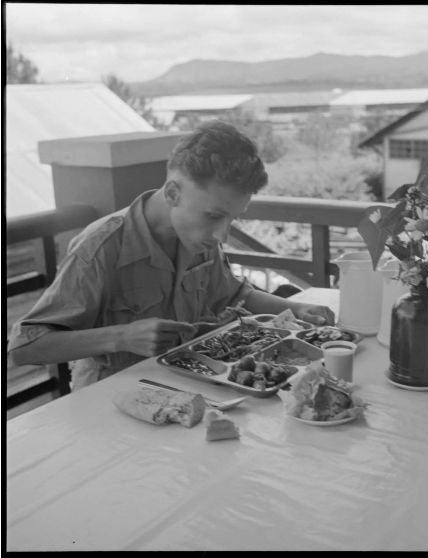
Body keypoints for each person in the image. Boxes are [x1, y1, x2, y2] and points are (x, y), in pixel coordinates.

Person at [8, 121, 335, 390]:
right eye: (213, 216)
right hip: (112, 401)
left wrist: (295, 309)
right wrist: (122, 336)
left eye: (233, 219)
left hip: (191, 385)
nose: (222, 234)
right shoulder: (101, 246)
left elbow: (234, 294)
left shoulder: (197, 234)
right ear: (172, 193)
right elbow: (25, 347)